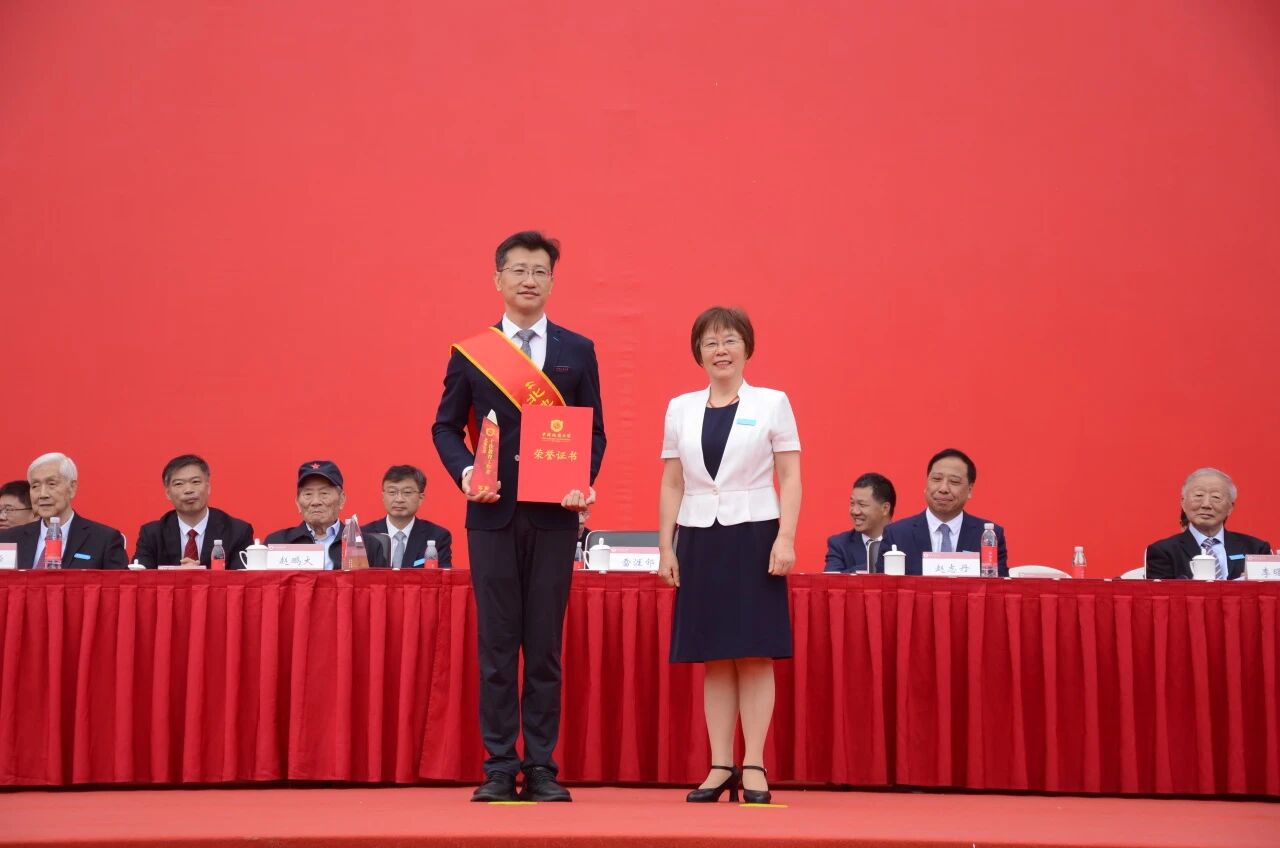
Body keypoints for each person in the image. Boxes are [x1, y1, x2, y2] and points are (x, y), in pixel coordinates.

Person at [432, 231, 606, 803]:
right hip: (491, 517)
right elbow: (445, 426)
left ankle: (543, 766)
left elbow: (594, 432)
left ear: (552, 281)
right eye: (519, 270)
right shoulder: (471, 353)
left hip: (555, 518)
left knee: (545, 647)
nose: (529, 280)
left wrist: (583, 480)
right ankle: (500, 766)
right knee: (498, 646)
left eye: (540, 271)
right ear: (498, 279)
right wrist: (466, 472)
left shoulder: (578, 349)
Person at [658, 306, 801, 805]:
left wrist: (786, 537)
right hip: (700, 537)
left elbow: (790, 476)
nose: (721, 350)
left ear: (747, 348)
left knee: (754, 653)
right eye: (711, 342)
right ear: (698, 352)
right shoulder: (680, 408)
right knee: (715, 657)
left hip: (755, 535)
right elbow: (672, 481)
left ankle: (754, 763)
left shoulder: (773, 402)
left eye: (730, 340)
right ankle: (720, 765)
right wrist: (666, 545)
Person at [880, 448, 1008, 575]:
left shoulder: (989, 536)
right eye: (936, 479)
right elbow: (883, 585)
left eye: (954, 482)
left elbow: (998, 585)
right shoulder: (896, 534)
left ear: (969, 490)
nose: (943, 488)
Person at [0, 452, 127, 569]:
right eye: (35, 486)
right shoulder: (8, 539)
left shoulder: (104, 540)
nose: (42, 494)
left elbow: (119, 585)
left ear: (72, 488)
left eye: (51, 484)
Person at [1146, 467, 1271, 580]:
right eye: (1198, 495)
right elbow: (1163, 596)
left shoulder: (1256, 549)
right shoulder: (1163, 551)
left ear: (1230, 507)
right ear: (1183, 503)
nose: (1206, 504)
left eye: (1216, 497)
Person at [133, 454, 255, 568]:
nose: (188, 490)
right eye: (179, 484)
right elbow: (138, 578)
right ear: (168, 493)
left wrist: (199, 575)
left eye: (195, 482)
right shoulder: (152, 534)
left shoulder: (237, 532)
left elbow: (243, 580)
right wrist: (177, 576)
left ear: (208, 487)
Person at [263, 460, 388, 569]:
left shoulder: (369, 546)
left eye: (324, 494)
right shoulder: (277, 543)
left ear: (341, 500)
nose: (315, 502)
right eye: (308, 494)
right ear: (297, 503)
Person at [360, 464, 453, 568]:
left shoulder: (437, 536)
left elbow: (443, 576)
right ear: (383, 496)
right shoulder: (364, 535)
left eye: (407, 492)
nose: (399, 499)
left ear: (420, 498)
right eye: (392, 492)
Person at [824, 472, 896, 573]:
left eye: (862, 505)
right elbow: (831, 580)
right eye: (852, 503)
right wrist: (877, 565)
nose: (854, 511)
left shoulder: (907, 541)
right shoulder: (839, 544)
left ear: (885, 508)